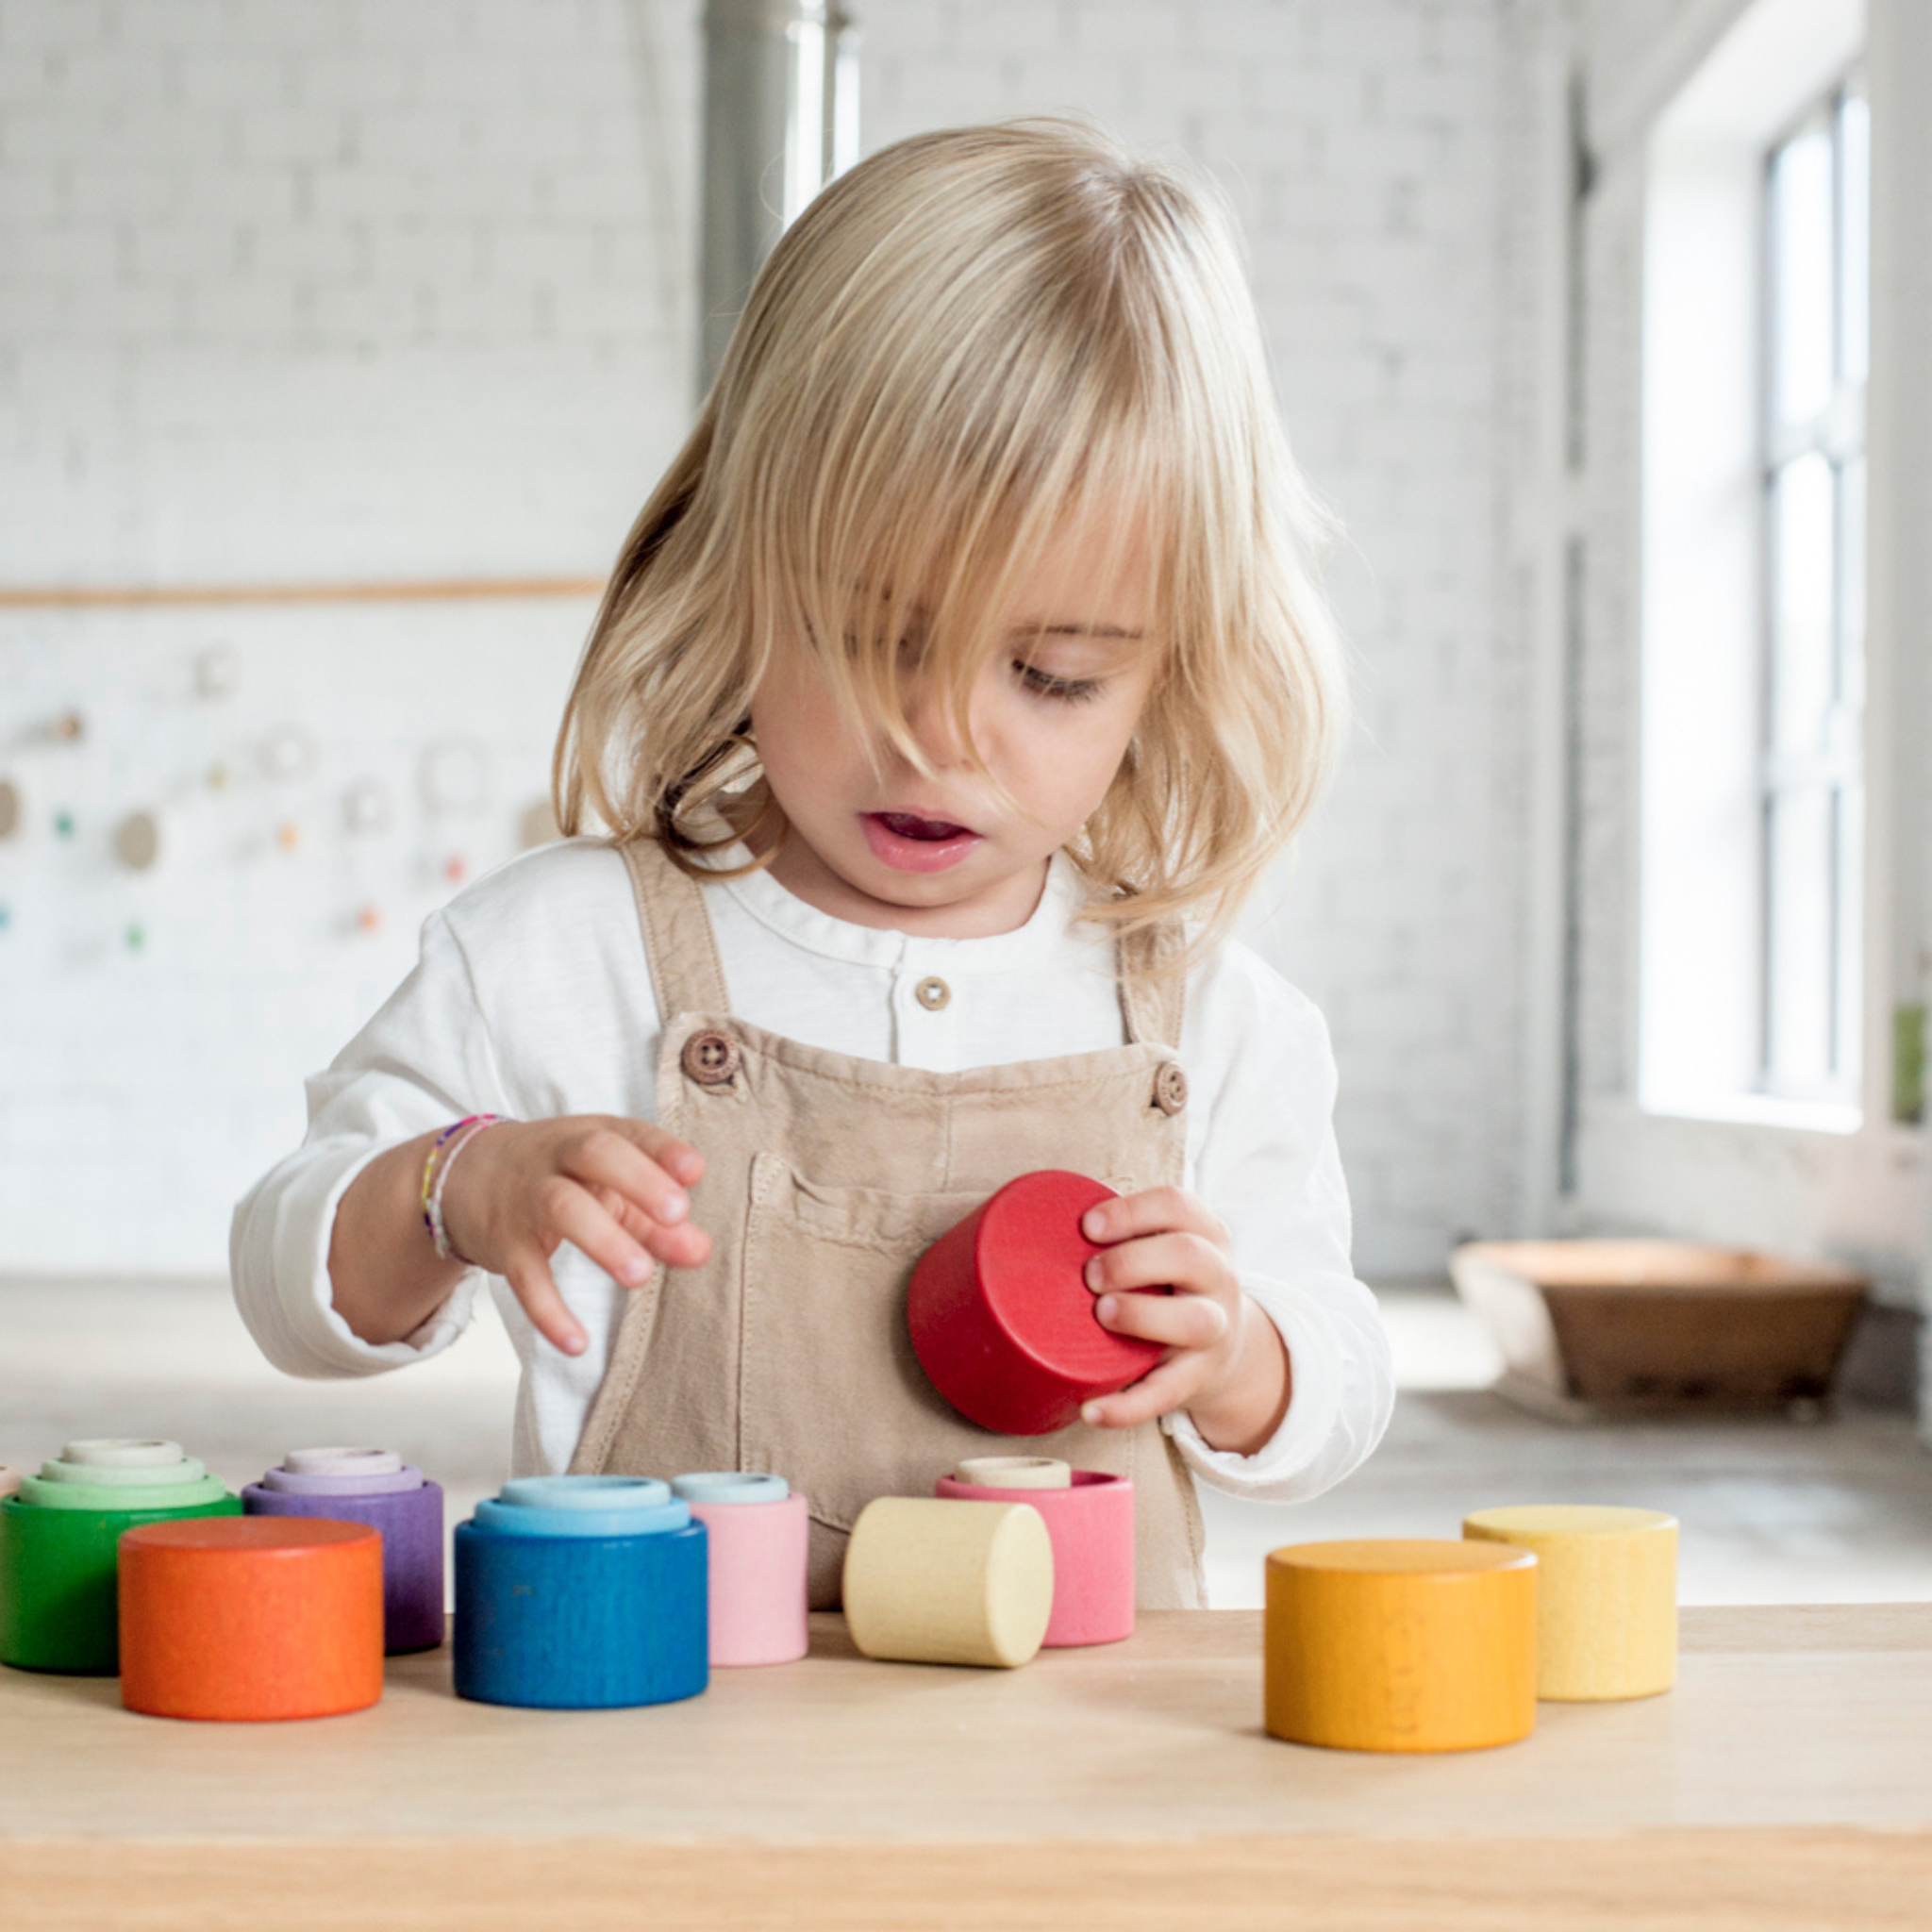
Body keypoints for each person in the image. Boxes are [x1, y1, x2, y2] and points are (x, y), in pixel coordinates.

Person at [232, 118, 1393, 1608]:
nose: (938, 741)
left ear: (1172, 671)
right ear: (741, 571)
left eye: (1048, 675)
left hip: (1076, 1787)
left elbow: (1341, 1392)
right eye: (872, 639)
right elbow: (289, 1290)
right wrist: (453, 1191)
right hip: (670, 1750)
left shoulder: (1212, 1025)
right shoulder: (559, 957)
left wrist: (1242, 1357)